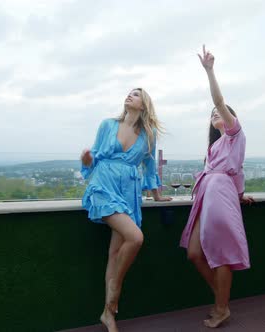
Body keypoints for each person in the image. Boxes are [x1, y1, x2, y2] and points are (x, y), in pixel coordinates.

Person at [80, 88, 172, 332]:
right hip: (103, 186)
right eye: (129, 93)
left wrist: (157, 196)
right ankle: (115, 289)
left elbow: (150, 166)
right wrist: (87, 161)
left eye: (136, 94)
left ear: (144, 105)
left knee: (115, 252)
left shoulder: (148, 135)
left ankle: (108, 313)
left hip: (129, 193)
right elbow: (95, 157)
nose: (129, 96)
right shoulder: (107, 125)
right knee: (135, 237)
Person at [180, 45, 255, 328]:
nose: (215, 113)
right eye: (212, 113)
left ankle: (221, 307)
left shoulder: (236, 135)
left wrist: (210, 71)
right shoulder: (214, 148)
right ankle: (221, 299)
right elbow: (237, 177)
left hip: (219, 198)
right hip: (209, 197)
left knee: (222, 253)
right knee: (194, 253)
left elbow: (219, 99)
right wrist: (241, 195)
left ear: (230, 117)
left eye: (219, 111)